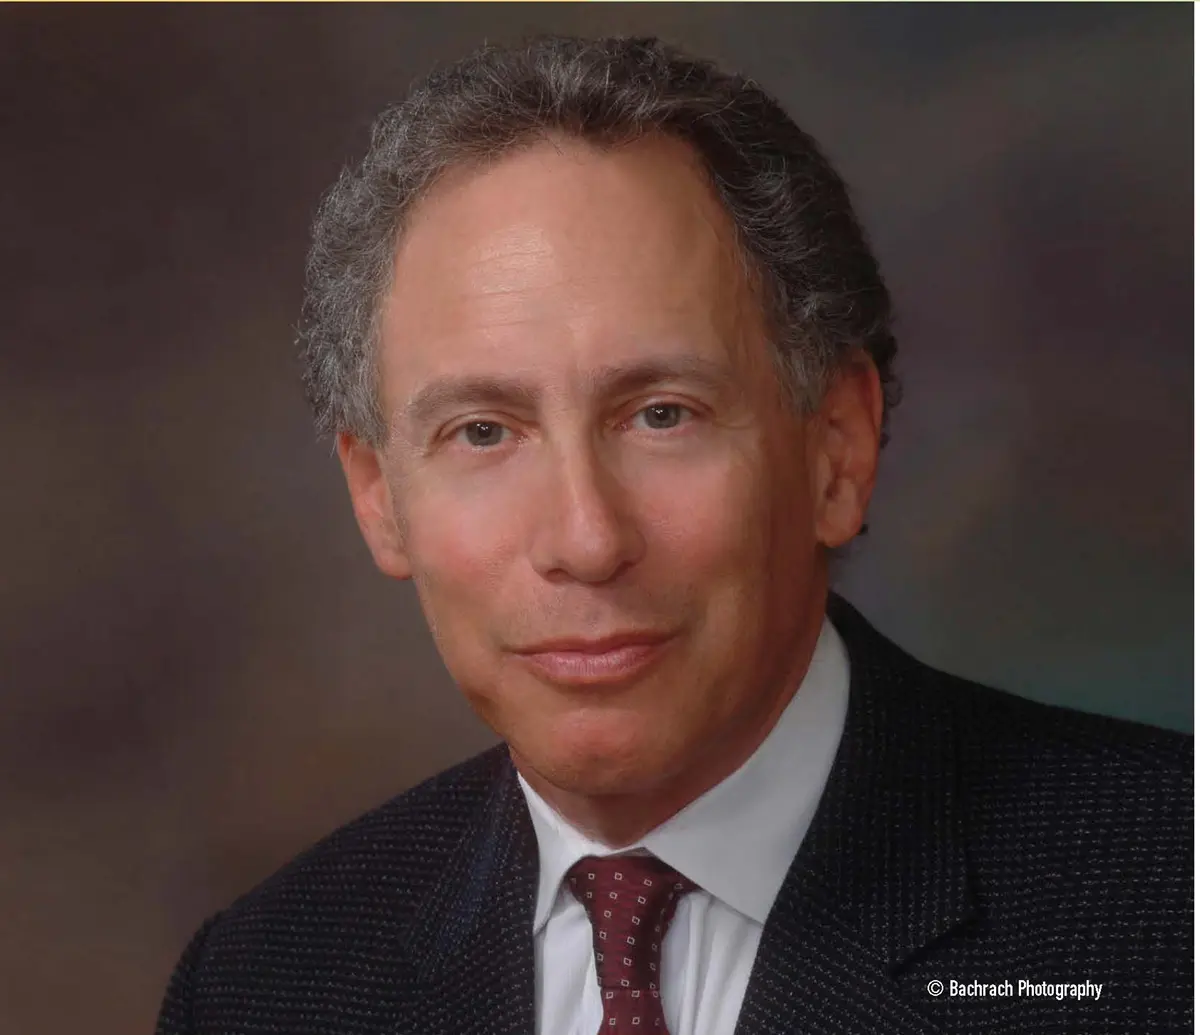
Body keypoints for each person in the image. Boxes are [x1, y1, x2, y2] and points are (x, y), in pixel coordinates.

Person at [155, 34, 1191, 1035]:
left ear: (836, 450)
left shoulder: (1166, 900)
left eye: (662, 414)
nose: (586, 540)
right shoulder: (260, 986)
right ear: (379, 495)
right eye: (483, 432)